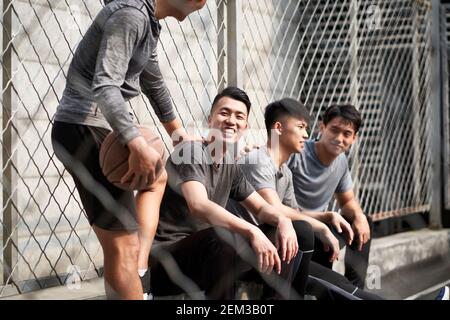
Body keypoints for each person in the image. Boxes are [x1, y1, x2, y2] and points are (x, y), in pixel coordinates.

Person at [51, 0, 207, 300]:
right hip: (85, 127)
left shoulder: (148, 21)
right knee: (121, 246)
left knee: (156, 179)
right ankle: (134, 273)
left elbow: (153, 80)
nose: (203, 3)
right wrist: (135, 141)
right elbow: (105, 85)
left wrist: (177, 133)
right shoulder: (131, 14)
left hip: (95, 127)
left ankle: (138, 268)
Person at [149, 87, 315, 299]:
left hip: (214, 257)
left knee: (299, 229)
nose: (231, 121)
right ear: (210, 119)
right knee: (223, 236)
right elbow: (199, 205)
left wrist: (283, 220)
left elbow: (261, 207)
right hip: (169, 261)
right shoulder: (190, 151)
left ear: (245, 126)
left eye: (239, 116)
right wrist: (252, 231)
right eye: (224, 113)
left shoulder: (230, 164)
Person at [228, 98, 383, 300]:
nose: (306, 134)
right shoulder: (267, 159)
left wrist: (332, 217)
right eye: (301, 127)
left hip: (286, 243)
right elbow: (276, 209)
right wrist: (322, 225)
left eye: (347, 134)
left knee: (338, 282)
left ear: (354, 138)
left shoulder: (285, 170)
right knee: (335, 284)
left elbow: (300, 212)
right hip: (260, 248)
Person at [287, 104, 371, 289]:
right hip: (296, 225)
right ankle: (338, 291)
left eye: (347, 134)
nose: (339, 138)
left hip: (322, 224)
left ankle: (355, 287)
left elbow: (347, 201)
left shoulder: (340, 162)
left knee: (363, 221)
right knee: (314, 234)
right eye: (334, 130)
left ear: (354, 138)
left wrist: (359, 216)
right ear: (322, 127)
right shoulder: (297, 152)